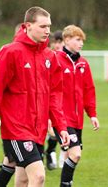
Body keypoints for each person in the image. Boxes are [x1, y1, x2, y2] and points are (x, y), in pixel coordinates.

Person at [0, 7, 70, 187]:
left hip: (38, 130)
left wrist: (61, 126)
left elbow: (55, 96)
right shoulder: (10, 52)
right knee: (39, 176)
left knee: (24, 179)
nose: (47, 31)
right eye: (42, 26)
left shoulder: (50, 57)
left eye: (49, 26)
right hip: (16, 129)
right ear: (28, 26)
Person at [54, 25, 99, 187]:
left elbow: (89, 90)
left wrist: (92, 114)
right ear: (66, 40)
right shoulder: (55, 60)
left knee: (70, 156)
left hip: (77, 120)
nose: (81, 44)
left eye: (82, 40)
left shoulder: (83, 64)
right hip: (61, 119)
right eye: (78, 40)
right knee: (75, 154)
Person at [44, 30, 64, 171]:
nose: (57, 45)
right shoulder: (48, 57)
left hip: (63, 102)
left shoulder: (69, 59)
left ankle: (50, 152)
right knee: (49, 131)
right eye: (55, 42)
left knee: (56, 132)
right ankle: (43, 156)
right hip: (47, 100)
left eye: (60, 42)